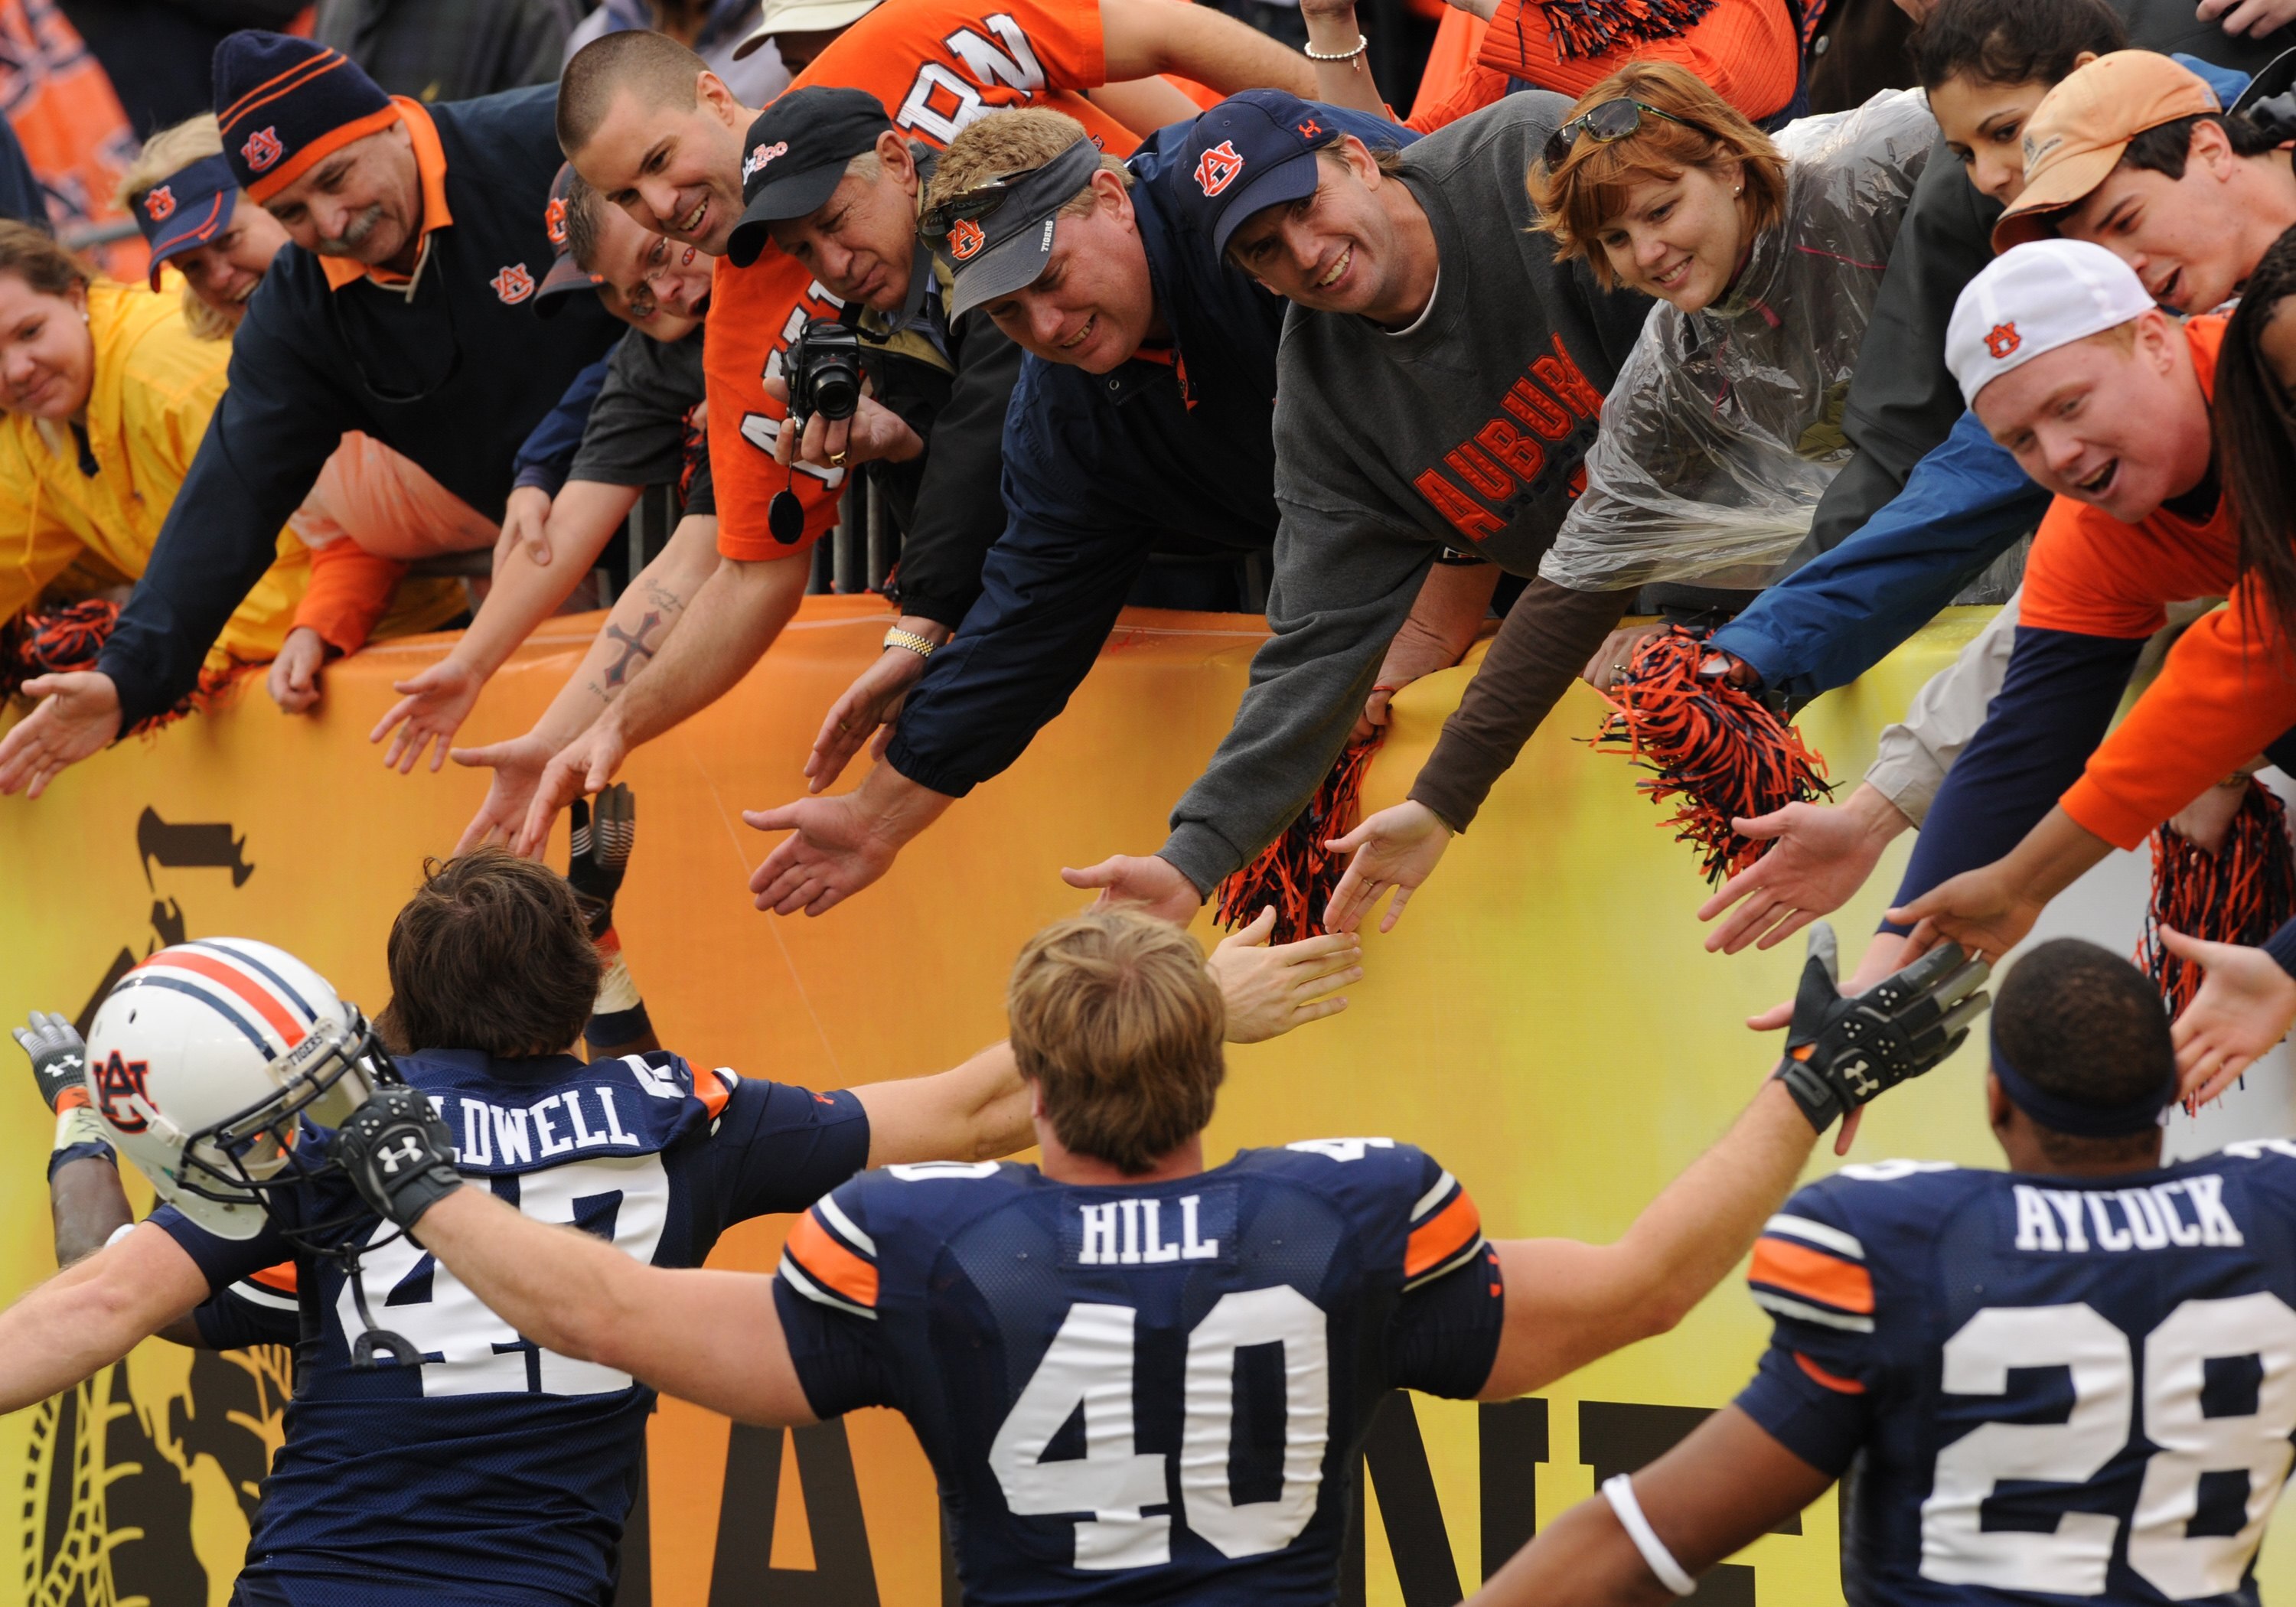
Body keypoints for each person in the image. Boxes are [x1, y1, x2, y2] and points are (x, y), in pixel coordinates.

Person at [321, 910, 1983, 1602]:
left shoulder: (921, 1237)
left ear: (1029, 1085)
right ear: (1215, 1065)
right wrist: (1811, 1083)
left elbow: (598, 1307)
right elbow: (1640, 1291)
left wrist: (411, 1174)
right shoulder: (1348, 1212)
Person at [0, 840, 1359, 1605]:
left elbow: (104, 1299)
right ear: (582, 984)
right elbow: (965, 1113)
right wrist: (1188, 1001)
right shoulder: (674, 1113)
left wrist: (75, 1111)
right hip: (530, 1587)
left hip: (322, 1577)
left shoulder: (348, 1121)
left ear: (397, 1007)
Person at [454, 11, 1321, 852]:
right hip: (1168, 527)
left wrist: (1343, 126)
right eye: (623, 196)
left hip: (1279, 341)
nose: (658, 206)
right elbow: (730, 565)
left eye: (657, 162)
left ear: (717, 98)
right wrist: (595, 726)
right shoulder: (744, 328)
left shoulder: (901, 43)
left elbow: (1154, 32)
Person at [1300, 60, 1933, 937]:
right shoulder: (1672, 360)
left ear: (1730, 165)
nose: (1648, 254)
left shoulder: (1880, 167)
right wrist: (1440, 802)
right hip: (1932, 606)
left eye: (1661, 209)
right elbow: (1574, 584)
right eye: (1613, 242)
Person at [1469, 937, 2296, 1607]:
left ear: (1997, 1101)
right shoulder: (2275, 1216)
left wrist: (1811, 1079)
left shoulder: (1903, 1244)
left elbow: (1644, 1547)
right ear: (2169, 1088)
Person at [741, 96, 1411, 920]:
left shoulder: (1235, 184)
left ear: (1112, 197)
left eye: (1049, 279)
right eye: (1006, 313)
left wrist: (1437, 609)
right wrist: (876, 818)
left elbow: (1464, 279)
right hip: (1381, 570)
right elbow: (1029, 621)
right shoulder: (1061, 408)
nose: (1048, 326)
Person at [1022, 86, 1649, 933]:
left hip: (1798, 540)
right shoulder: (1322, 404)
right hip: (1628, 605)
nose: (1306, 254)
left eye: (1304, 207)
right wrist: (1191, 859)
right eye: (1263, 251)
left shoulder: (1523, 158)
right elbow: (1316, 647)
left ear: (1357, 159)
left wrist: (1678, 605)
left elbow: (1719, 349)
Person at [0, 31, 624, 799]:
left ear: (389, 122)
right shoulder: (297, 306)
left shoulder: (543, 138)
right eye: (290, 210)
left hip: (701, 498)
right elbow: (231, 494)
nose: (331, 223)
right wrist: (130, 676)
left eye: (337, 178)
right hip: (569, 559)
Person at [1862, 65, 2296, 976]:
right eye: (2020, 437)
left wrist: (2025, 881)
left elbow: (2252, 658)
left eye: (2125, 222)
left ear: (2152, 340)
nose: (2057, 455)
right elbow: (2025, 738)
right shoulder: (2098, 513)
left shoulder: (2279, 345)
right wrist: (1881, 974)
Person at [115, 113, 481, 719]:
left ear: (281, 202)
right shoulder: (265, 382)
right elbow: (355, 533)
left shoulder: (411, 280)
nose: (220, 277)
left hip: (611, 554)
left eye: (228, 240)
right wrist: (317, 628)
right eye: (192, 268)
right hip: (520, 599)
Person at [370, 165, 719, 774]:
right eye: (634, 295)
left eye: (661, 253)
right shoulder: (655, 356)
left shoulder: (794, 233)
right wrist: (472, 663)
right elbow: (579, 526)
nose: (664, 293)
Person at [0, 221, 318, 716]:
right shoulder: (31, 428)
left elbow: (312, 554)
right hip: (260, 665)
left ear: (75, 295)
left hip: (367, 639)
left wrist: (130, 662)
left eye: (30, 332)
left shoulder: (170, 377)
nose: (17, 369)